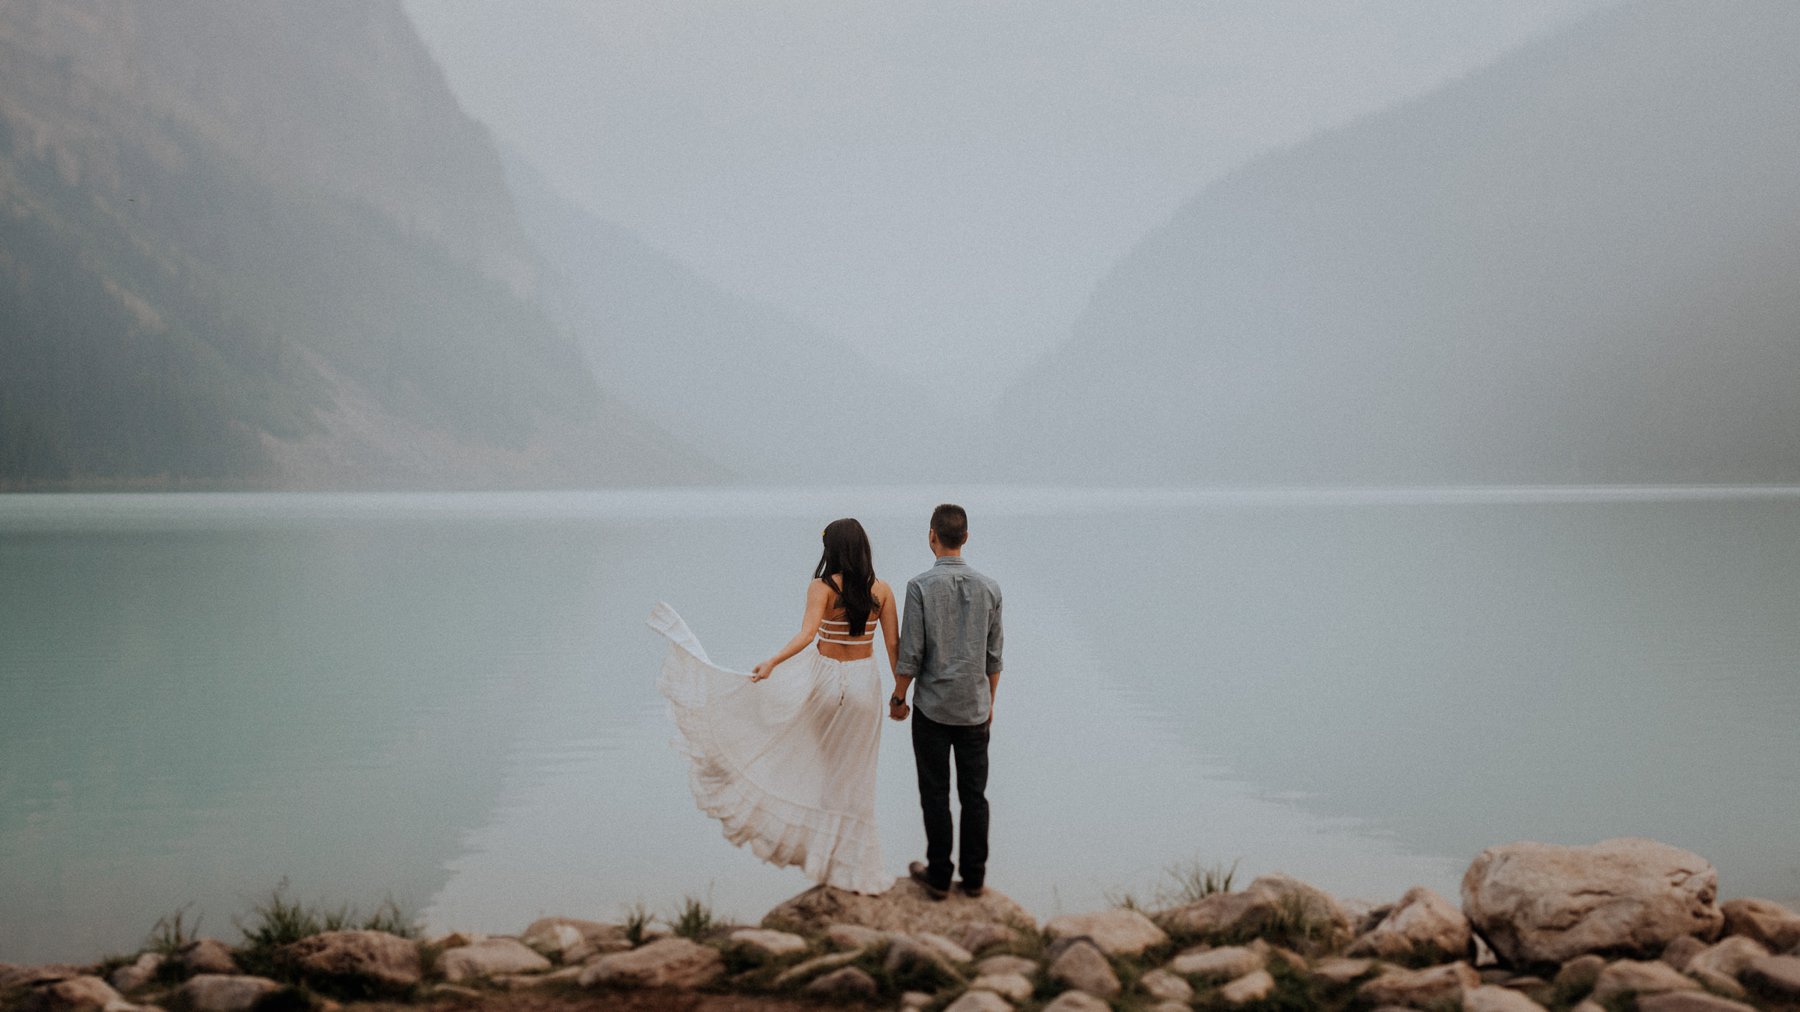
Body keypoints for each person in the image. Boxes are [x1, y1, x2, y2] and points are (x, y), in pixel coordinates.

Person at [648, 518, 898, 894]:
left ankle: (834, 865)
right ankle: (859, 867)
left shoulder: (822, 587)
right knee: (858, 775)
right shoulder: (883, 590)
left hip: (828, 682)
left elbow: (807, 634)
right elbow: (895, 647)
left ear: (832, 550)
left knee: (830, 771)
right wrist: (902, 693)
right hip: (865, 683)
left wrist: (772, 662)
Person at [890, 503, 1003, 900]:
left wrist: (899, 697)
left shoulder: (919, 587)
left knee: (935, 794)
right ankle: (973, 879)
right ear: (966, 538)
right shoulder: (990, 587)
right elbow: (994, 656)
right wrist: (989, 703)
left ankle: (939, 876)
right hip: (974, 708)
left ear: (932, 537)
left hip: (933, 711)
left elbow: (912, 654)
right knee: (975, 796)